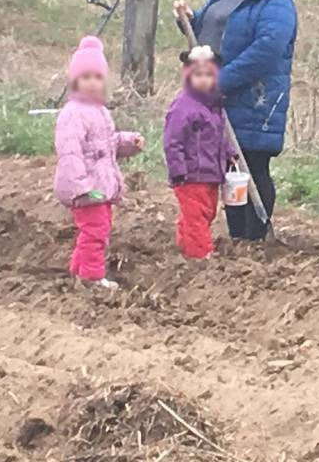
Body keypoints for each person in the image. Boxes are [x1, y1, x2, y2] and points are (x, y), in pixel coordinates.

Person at [174, 0, 297, 241]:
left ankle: (256, 235)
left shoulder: (277, 3)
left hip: (255, 97)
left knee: (253, 164)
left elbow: (267, 50)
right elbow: (211, 29)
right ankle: (238, 236)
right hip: (216, 96)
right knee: (230, 169)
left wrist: (221, 79)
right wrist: (190, 19)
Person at [53, 36, 145, 289]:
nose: (92, 83)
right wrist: (80, 187)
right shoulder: (73, 114)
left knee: (97, 229)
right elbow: (69, 153)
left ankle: (79, 271)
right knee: (95, 231)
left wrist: (129, 142)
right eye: (86, 78)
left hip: (99, 187)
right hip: (87, 188)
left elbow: (107, 144)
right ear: (75, 81)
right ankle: (92, 277)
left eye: (97, 78)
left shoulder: (100, 111)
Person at [163, 45, 236, 260]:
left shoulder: (213, 106)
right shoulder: (183, 107)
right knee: (197, 215)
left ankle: (186, 244)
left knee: (207, 212)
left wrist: (228, 153)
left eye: (208, 75)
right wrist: (179, 170)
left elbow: (217, 136)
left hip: (211, 172)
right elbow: (172, 141)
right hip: (191, 174)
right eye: (198, 75)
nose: (203, 80)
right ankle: (201, 255)